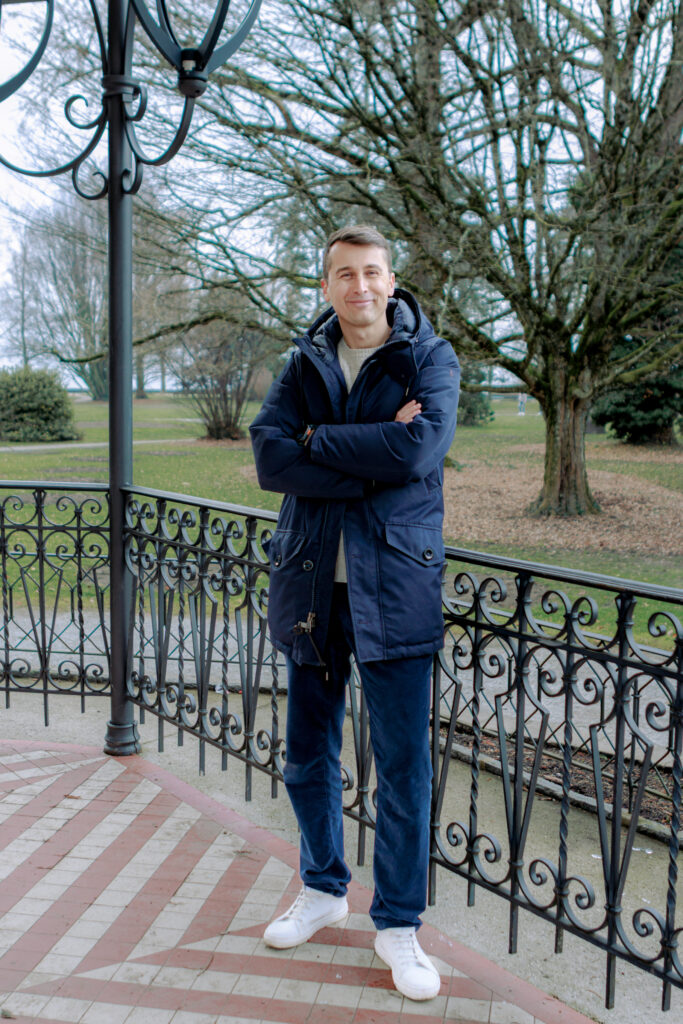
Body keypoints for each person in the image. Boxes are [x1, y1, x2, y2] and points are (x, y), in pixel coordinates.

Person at [249, 224, 459, 1002]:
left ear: (390, 280)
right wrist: (367, 453)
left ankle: (397, 923)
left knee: (401, 767)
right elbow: (270, 457)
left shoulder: (427, 358)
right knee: (307, 753)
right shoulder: (302, 361)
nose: (359, 286)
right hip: (311, 587)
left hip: (396, 588)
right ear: (327, 284)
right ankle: (322, 888)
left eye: (371, 272)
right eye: (344, 273)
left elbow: (417, 453)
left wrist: (318, 441)